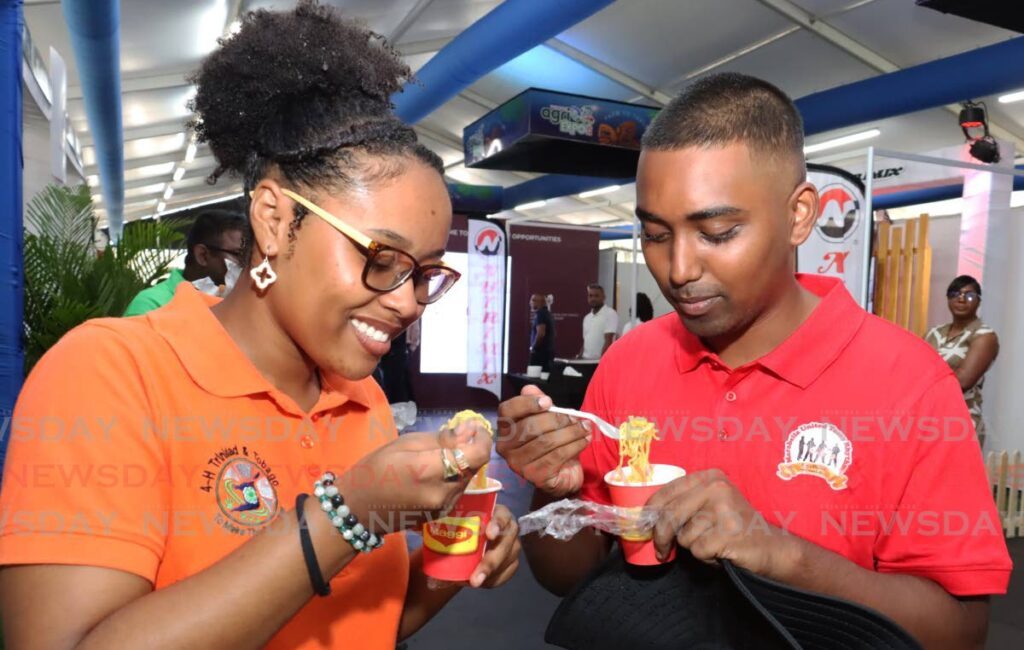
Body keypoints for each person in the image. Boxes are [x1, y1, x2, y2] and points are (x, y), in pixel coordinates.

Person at [0, 4, 520, 649]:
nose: (409, 301)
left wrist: (453, 562)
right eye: (381, 258)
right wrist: (345, 513)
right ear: (274, 220)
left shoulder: (363, 400)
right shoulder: (111, 373)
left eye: (423, 274)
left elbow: (368, 619)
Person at [497, 72, 1009, 648]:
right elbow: (567, 578)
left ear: (799, 216)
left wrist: (781, 554)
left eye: (716, 231)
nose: (679, 268)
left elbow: (959, 633)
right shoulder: (631, 362)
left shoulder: (911, 385)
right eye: (656, 234)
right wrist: (554, 487)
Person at [123, 208, 247, 315]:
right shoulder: (151, 305)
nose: (246, 264)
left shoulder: (236, 302)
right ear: (202, 255)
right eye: (239, 254)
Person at [925, 275, 999, 449]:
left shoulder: (984, 336)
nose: (961, 298)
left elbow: (962, 382)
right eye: (954, 293)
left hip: (962, 423)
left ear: (979, 301)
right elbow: (913, 370)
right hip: (928, 421)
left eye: (970, 295)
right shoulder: (934, 333)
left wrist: (922, 383)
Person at [579, 283, 617, 359]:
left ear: (603, 297)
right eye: (590, 296)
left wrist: (601, 362)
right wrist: (579, 357)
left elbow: (608, 341)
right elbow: (585, 341)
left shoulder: (610, 314)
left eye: (596, 296)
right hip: (585, 360)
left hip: (599, 362)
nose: (593, 299)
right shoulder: (587, 318)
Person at [530, 292, 556, 372]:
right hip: (547, 354)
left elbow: (541, 334)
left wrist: (533, 347)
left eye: (533, 300)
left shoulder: (540, 314)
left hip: (540, 354)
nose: (530, 302)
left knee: (535, 379)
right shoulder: (548, 314)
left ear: (541, 302)